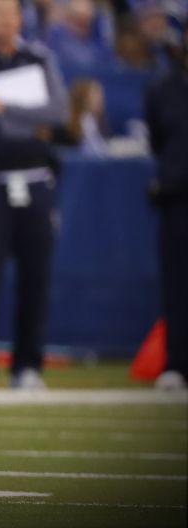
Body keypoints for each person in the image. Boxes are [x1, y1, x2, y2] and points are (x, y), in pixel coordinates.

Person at [0, 0, 68, 391]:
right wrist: (18, 119)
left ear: (22, 18)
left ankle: (28, 366)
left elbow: (57, 111)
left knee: (35, 275)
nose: (6, 19)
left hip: (37, 177)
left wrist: (4, 108)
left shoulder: (38, 58)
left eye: (12, 12)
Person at [146, 36, 187, 390]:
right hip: (177, 198)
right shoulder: (162, 89)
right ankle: (176, 363)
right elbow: (158, 141)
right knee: (177, 284)